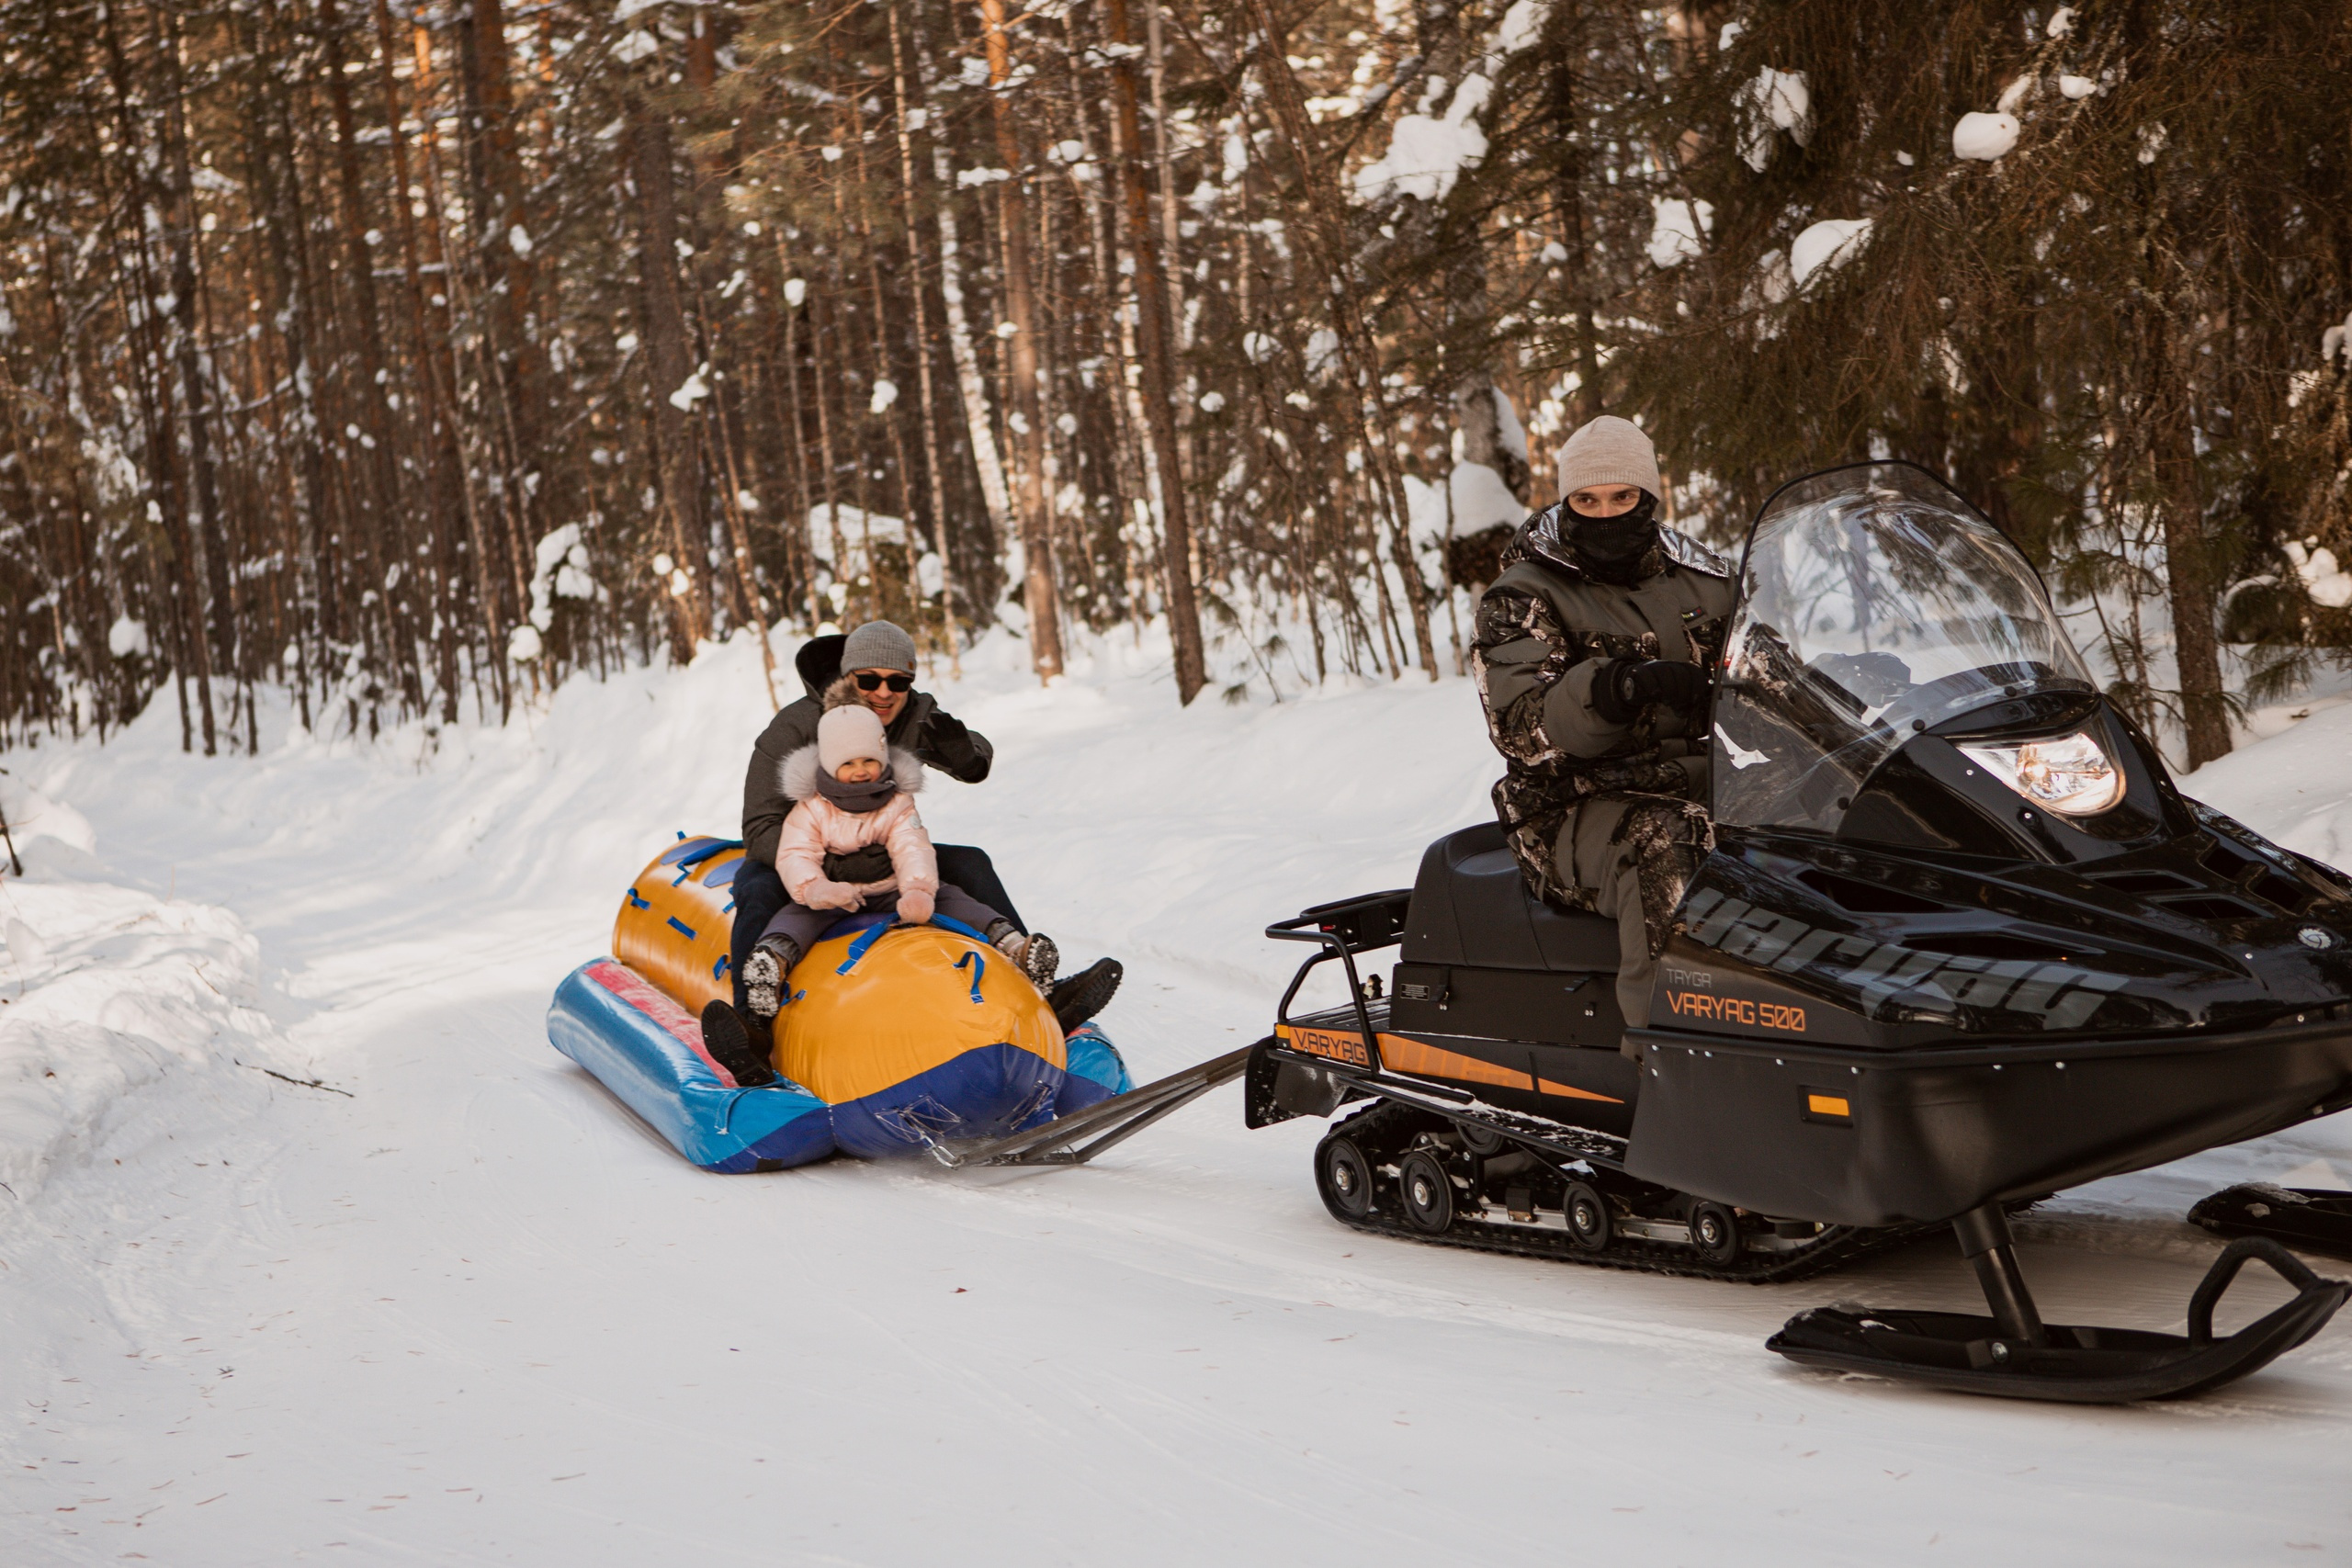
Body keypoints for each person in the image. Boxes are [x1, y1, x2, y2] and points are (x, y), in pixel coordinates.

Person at [729, 619, 1120, 1042]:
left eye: (898, 682)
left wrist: (965, 754)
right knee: (756, 886)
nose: (884, 693)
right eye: (869, 680)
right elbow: (759, 827)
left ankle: (1037, 987)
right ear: (849, 676)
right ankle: (751, 1023)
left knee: (969, 862)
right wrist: (834, 866)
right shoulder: (795, 727)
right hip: (804, 855)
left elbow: (975, 757)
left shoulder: (913, 713)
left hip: (885, 854)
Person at [1469, 416, 1735, 1030]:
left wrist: (1844, 677)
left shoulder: (1705, 581)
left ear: (1649, 498)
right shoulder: (1523, 596)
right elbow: (1522, 729)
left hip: (1699, 778)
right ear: (1566, 503)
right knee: (1668, 837)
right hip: (1568, 806)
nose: (1606, 514)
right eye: (1587, 500)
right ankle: (1670, 1057)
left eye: (1623, 497)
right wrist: (1613, 688)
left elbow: (1761, 662)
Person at [703, 702, 1056, 1087]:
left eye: (868, 761)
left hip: (889, 888)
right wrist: (818, 886)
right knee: (794, 916)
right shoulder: (811, 805)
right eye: (848, 763)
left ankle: (1015, 947)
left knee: (954, 897)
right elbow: (794, 852)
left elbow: (913, 847)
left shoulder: (897, 798)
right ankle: (767, 973)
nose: (860, 772)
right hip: (834, 894)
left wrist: (918, 890)